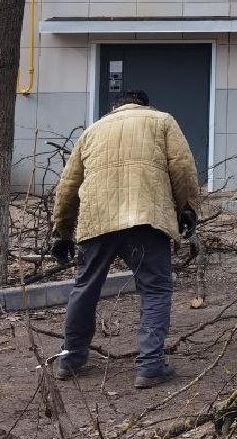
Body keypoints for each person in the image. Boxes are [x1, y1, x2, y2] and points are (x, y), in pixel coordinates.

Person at [49, 90, 201, 389]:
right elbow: (182, 167)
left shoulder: (93, 131)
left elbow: (68, 185)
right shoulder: (162, 121)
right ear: (145, 105)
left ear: (114, 109)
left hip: (98, 220)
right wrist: (187, 208)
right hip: (147, 219)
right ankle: (150, 366)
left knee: (85, 288)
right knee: (155, 289)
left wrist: (62, 232)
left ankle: (70, 359)